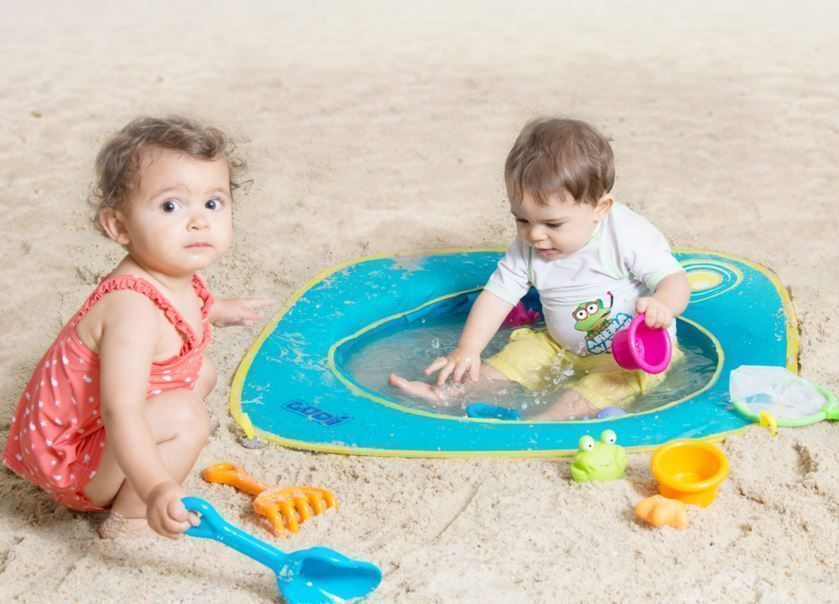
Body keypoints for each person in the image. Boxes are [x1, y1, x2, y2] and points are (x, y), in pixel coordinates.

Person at [3, 116, 272, 539]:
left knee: (202, 372)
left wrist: (217, 309)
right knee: (187, 414)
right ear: (120, 227)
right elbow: (121, 410)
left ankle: (144, 467)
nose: (199, 221)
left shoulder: (173, 273)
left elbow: (182, 313)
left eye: (213, 203)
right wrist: (157, 487)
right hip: (72, 462)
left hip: (98, 442)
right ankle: (129, 518)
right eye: (171, 206)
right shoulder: (131, 308)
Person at [389, 117, 691, 420]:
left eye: (553, 224)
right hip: (558, 345)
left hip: (630, 353)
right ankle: (447, 394)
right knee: (510, 360)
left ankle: (544, 420)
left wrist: (663, 304)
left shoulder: (625, 234)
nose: (535, 235)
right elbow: (496, 297)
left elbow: (675, 280)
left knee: (609, 386)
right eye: (522, 219)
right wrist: (468, 349)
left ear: (600, 208)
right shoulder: (529, 247)